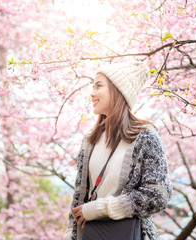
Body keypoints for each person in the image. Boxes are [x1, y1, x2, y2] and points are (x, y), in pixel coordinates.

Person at [64, 61, 172, 240]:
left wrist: (100, 209)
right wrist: (71, 234)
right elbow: (79, 198)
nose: (92, 93)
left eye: (99, 86)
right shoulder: (89, 142)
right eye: (93, 86)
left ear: (118, 91)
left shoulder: (145, 136)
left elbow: (158, 194)